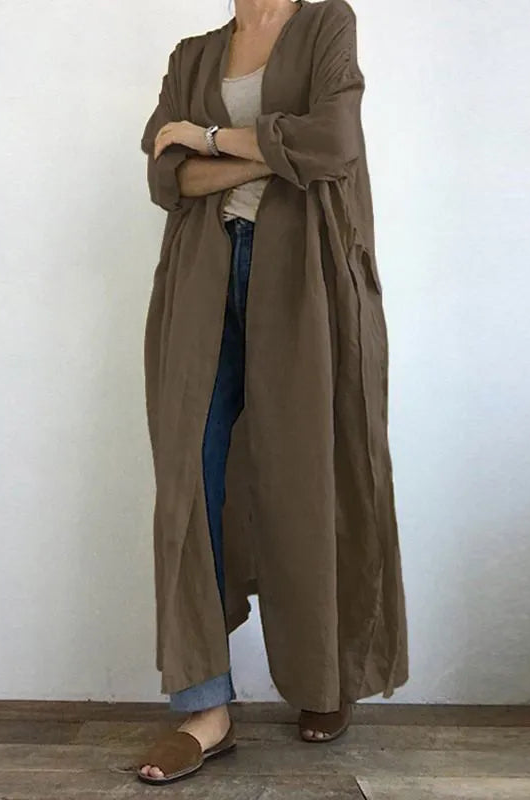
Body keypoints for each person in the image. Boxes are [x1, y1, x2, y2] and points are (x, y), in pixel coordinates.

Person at [136, 0, 409, 785]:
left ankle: (326, 677)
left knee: (310, 474)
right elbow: (167, 176)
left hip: (307, 276)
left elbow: (334, 144)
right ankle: (204, 708)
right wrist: (274, 153)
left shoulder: (326, 26)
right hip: (201, 277)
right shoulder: (192, 55)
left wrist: (209, 138)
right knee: (189, 480)